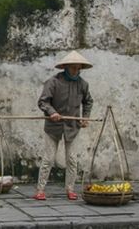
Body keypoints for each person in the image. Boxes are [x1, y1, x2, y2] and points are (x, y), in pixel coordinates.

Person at [34, 50, 94, 201]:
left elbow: (88, 101)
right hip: (53, 126)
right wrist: (52, 112)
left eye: (78, 68)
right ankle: (40, 190)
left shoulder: (83, 84)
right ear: (66, 67)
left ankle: (70, 188)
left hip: (72, 126)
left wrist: (85, 118)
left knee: (72, 159)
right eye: (73, 67)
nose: (76, 70)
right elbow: (43, 101)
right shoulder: (53, 82)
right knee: (48, 158)